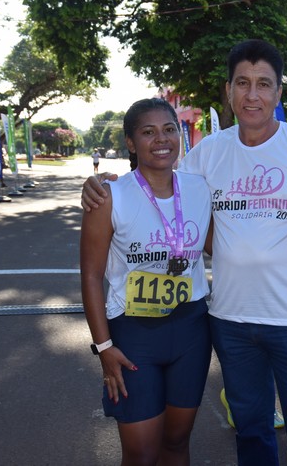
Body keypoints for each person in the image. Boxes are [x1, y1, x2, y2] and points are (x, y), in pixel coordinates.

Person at [82, 39, 287, 465]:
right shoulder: (207, 153)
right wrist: (106, 184)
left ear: (279, 92)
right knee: (252, 429)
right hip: (230, 320)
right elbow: (161, 188)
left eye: (264, 84)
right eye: (243, 83)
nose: (253, 94)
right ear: (229, 91)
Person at [80, 98, 212, 465]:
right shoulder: (110, 196)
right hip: (135, 335)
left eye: (169, 129)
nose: (161, 139)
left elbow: (219, 244)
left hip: (191, 329)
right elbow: (90, 275)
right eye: (148, 132)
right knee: (140, 452)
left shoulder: (200, 188)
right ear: (130, 142)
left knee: (177, 442)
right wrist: (103, 347)